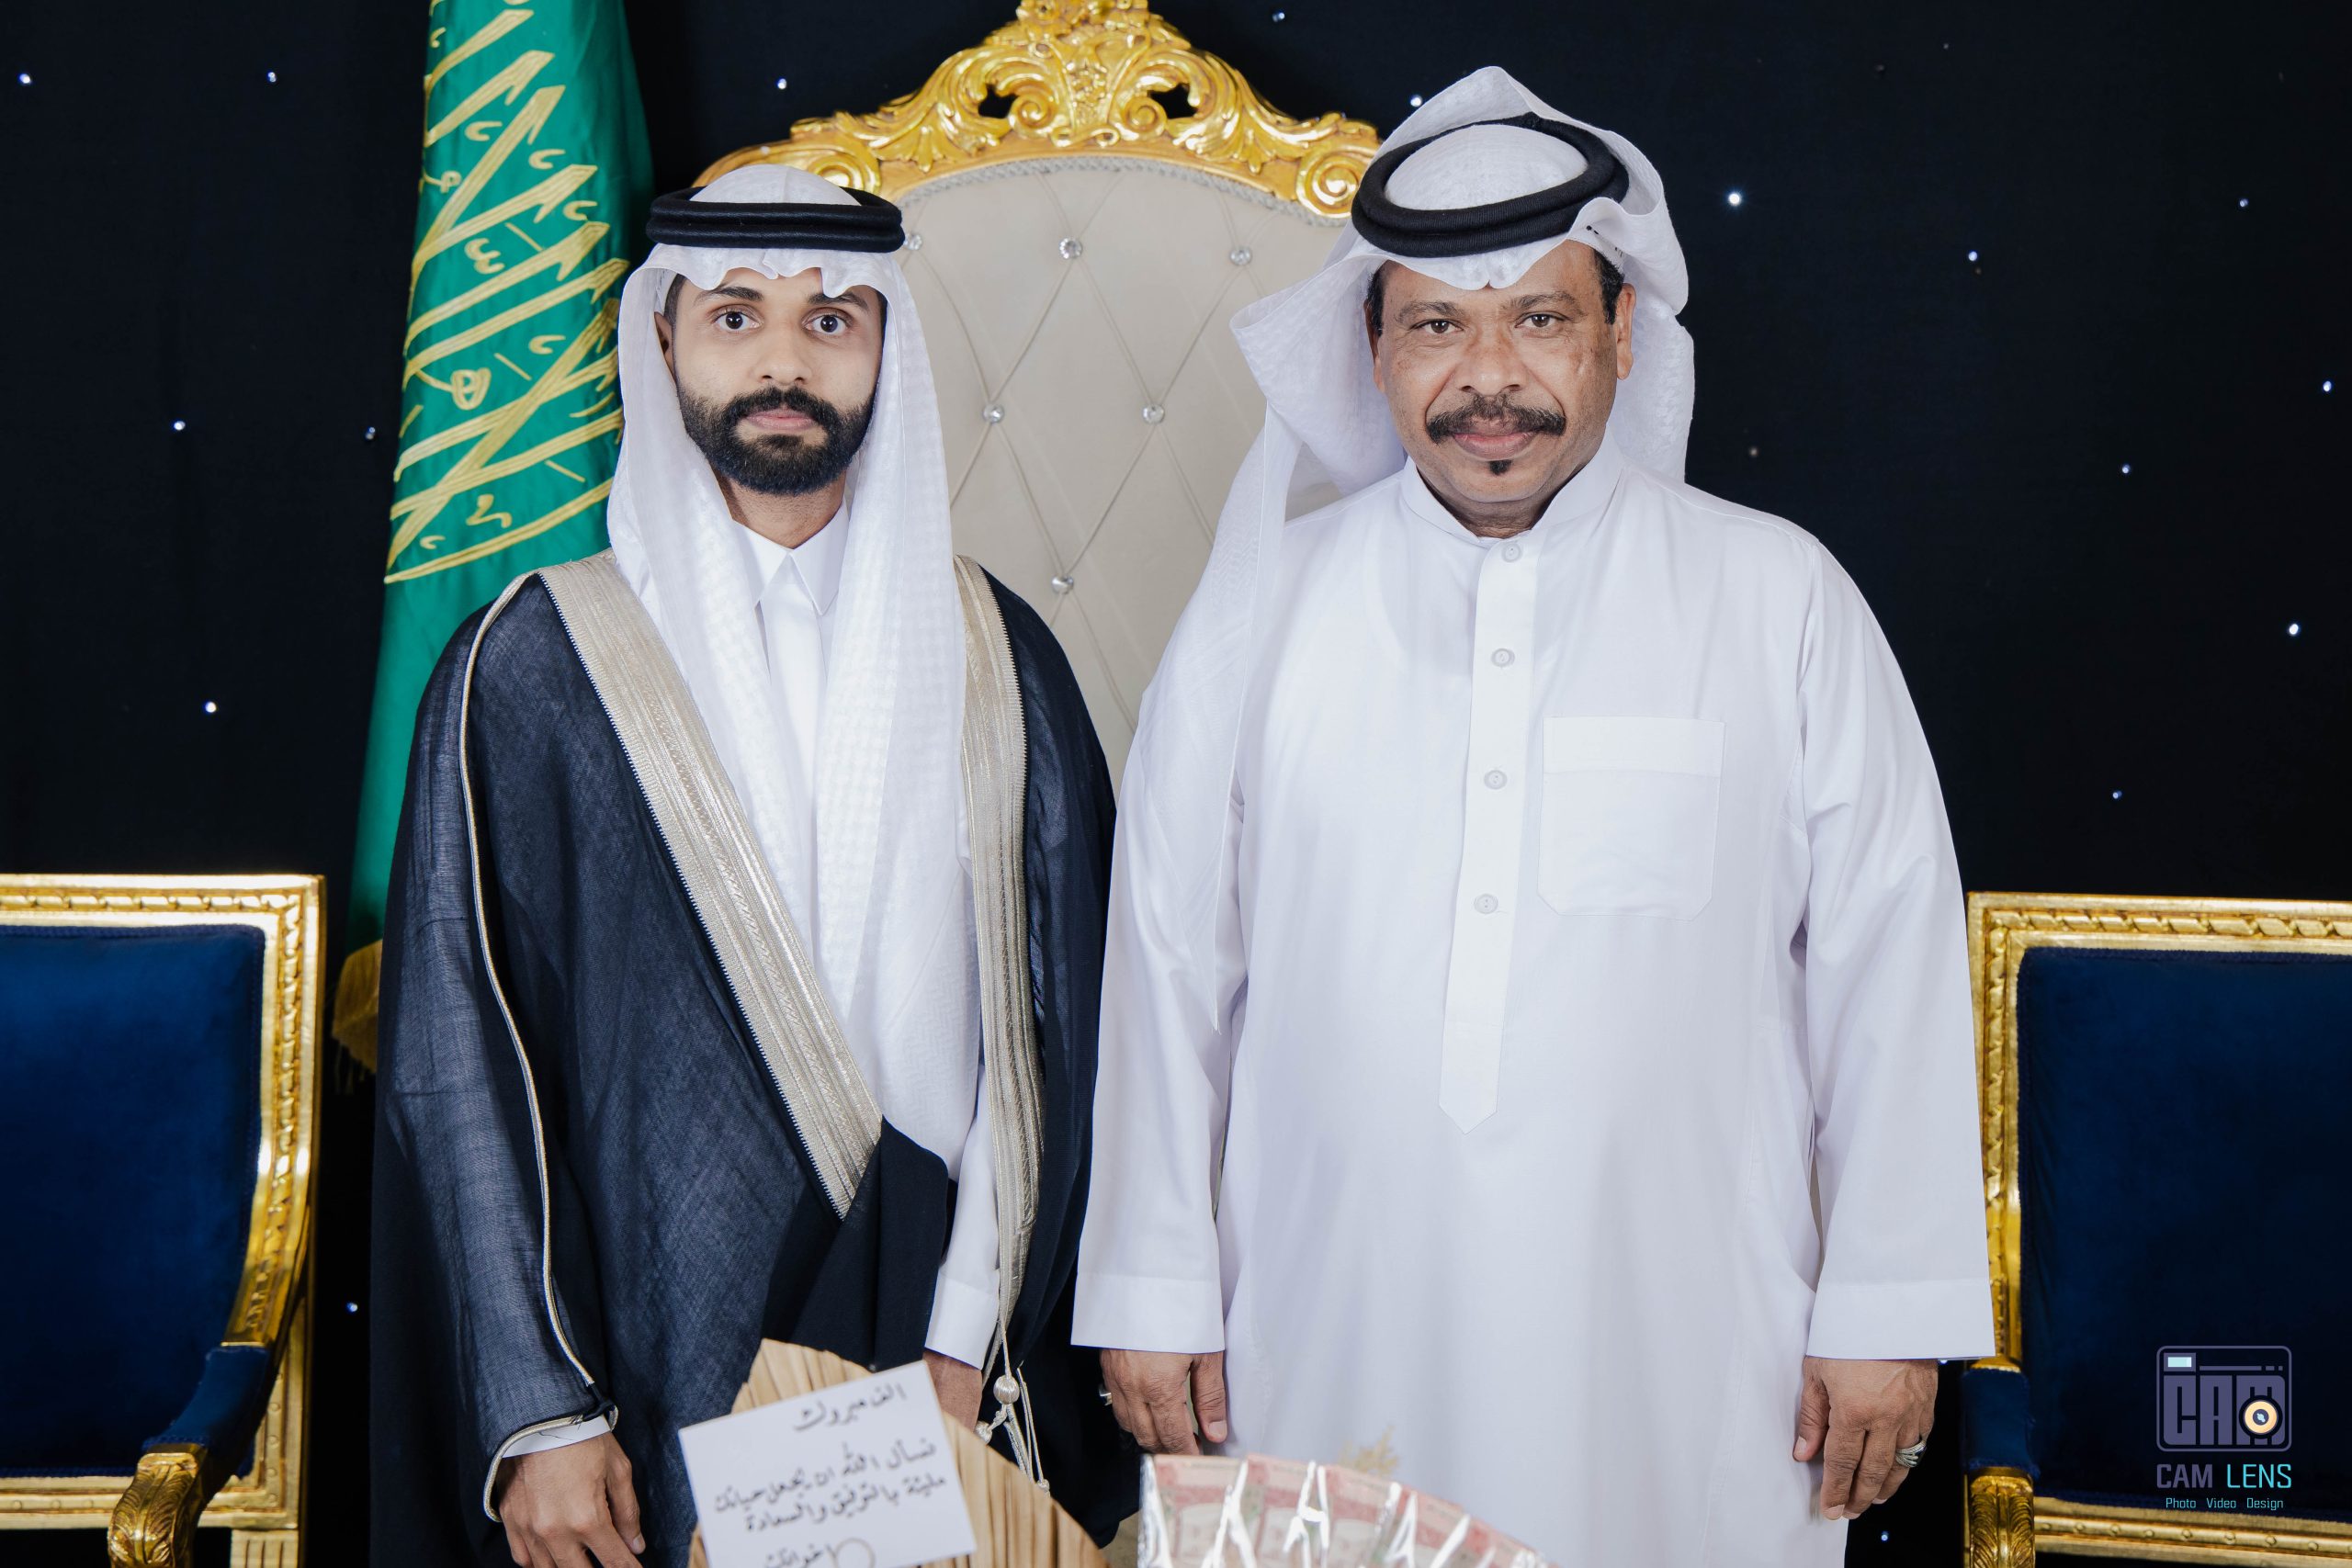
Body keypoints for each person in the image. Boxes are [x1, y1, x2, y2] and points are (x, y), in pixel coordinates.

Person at [1074, 68, 1994, 1564]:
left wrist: (1889, 1308)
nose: (1487, 375)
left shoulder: (1779, 597)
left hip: (1692, 1345)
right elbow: (1169, 963)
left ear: (1622, 336)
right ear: (1374, 352)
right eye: (1438, 325)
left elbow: (1887, 968)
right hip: (1320, 1313)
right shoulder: (1259, 613)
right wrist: (1148, 1283)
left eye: (1540, 320)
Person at [372, 165, 1125, 1568]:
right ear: (662, 337)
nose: (785, 360)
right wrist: (542, 1411)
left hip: (941, 1353)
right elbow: (457, 1062)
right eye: (736, 315)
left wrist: (966, 1337)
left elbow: (1060, 1027)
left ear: (887, 344)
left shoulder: (997, 655)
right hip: (645, 1358)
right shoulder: (532, 666)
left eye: (831, 319)